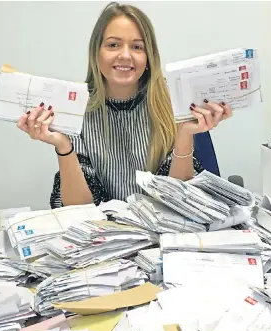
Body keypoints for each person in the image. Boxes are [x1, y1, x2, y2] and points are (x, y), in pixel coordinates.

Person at [17, 2, 232, 208]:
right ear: (96, 52)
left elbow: (181, 203)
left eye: (137, 47)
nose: (125, 55)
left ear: (148, 57)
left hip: (163, 238)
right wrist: (63, 146)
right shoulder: (76, 108)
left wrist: (185, 136)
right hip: (104, 239)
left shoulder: (172, 103)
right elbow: (79, 210)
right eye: (113, 45)